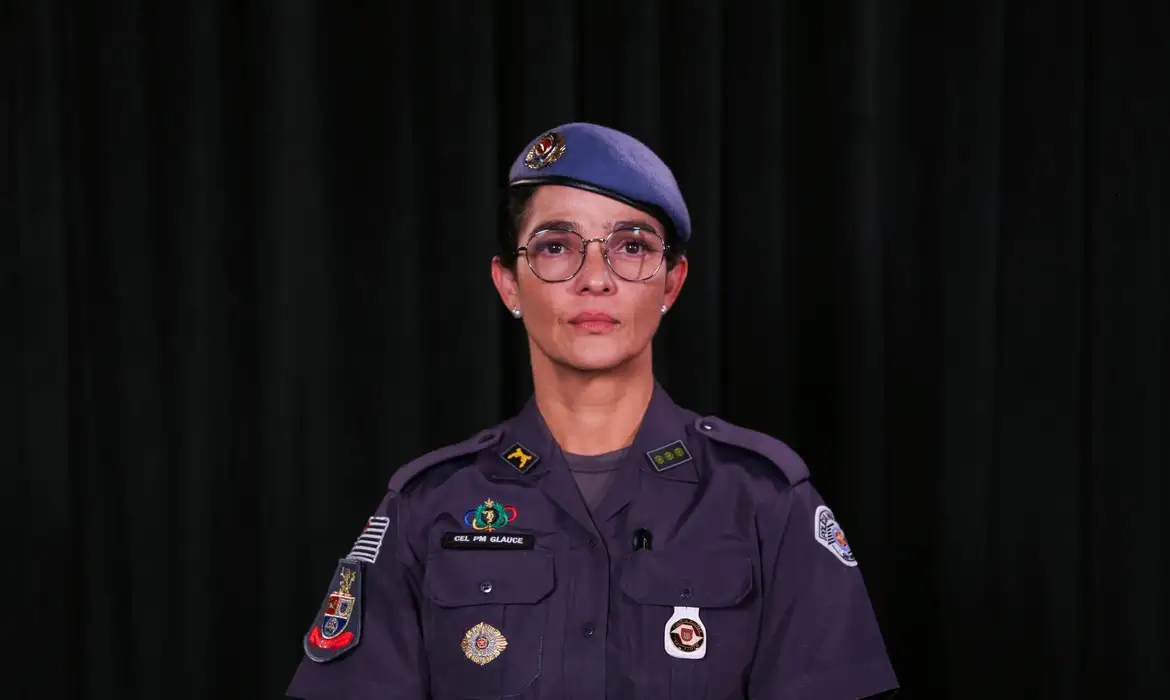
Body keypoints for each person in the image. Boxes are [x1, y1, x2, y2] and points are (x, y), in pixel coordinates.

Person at [285, 123, 899, 700]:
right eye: (557, 246)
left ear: (672, 283)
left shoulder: (765, 501)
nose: (596, 279)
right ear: (508, 284)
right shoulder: (427, 506)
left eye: (631, 246)